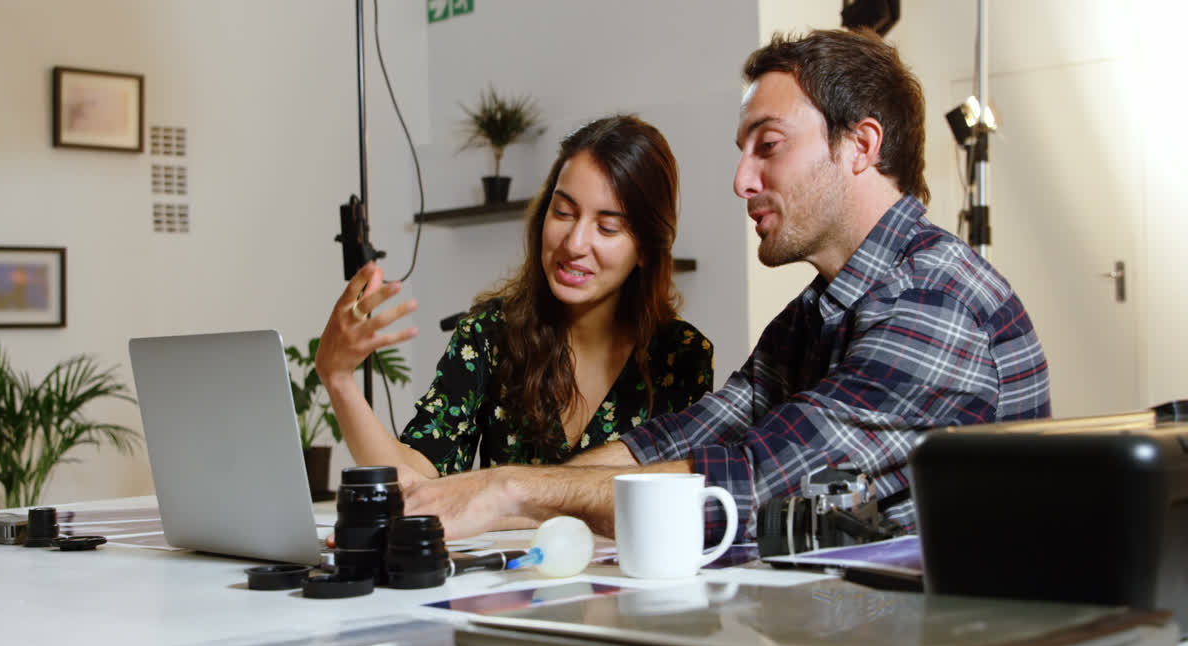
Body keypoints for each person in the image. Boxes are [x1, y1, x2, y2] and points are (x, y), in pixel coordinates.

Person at [396, 29, 1052, 541]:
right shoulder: (818, 312)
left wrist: (511, 493)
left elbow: (757, 481)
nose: (741, 180)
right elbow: (699, 433)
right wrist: (489, 491)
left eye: (767, 146)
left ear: (860, 146)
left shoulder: (933, 301)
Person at [315, 114, 715, 533]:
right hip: (504, 588)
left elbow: (676, 498)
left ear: (647, 248)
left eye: (607, 226)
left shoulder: (681, 356)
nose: (575, 244)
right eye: (563, 212)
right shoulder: (488, 335)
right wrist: (338, 377)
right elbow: (416, 483)